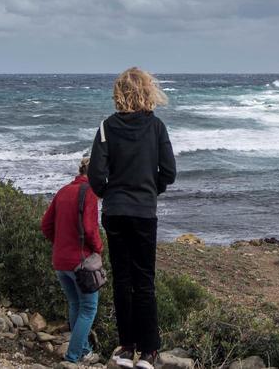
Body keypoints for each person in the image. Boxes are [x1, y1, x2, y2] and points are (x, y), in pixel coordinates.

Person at [88, 67, 177, 369]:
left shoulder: (106, 128)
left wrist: (110, 193)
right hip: (143, 212)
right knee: (144, 281)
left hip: (115, 211)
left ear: (119, 93)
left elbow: (96, 175)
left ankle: (126, 348)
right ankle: (149, 352)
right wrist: (153, 190)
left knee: (122, 281)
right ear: (147, 91)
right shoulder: (157, 128)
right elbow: (169, 172)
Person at [41, 156, 103, 364]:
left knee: (75, 304)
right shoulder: (90, 193)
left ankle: (83, 349)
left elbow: (46, 225)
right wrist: (99, 248)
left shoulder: (63, 191)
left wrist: (60, 244)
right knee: (88, 308)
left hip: (60, 261)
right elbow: (90, 228)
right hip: (81, 262)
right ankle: (74, 356)